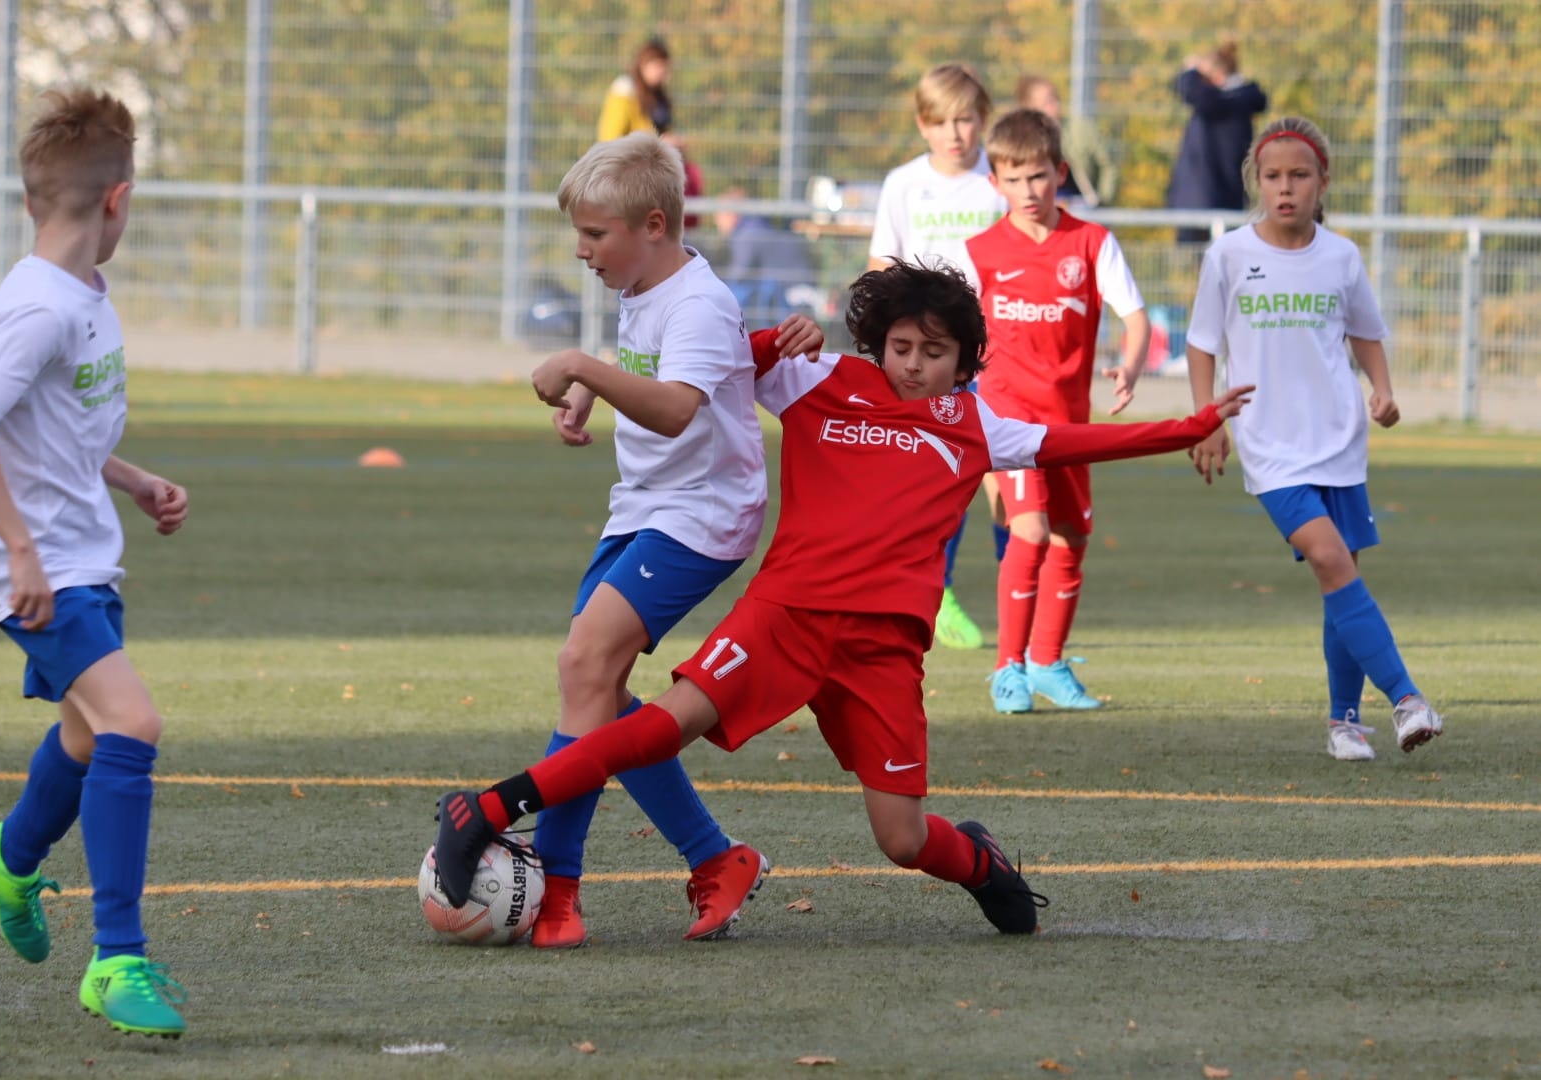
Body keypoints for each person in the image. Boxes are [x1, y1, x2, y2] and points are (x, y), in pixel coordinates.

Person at [433, 258, 1254, 939]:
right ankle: (490, 807)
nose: (913, 363)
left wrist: (1189, 428)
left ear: (964, 361)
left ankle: (982, 864)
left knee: (902, 838)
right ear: (877, 342)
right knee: (663, 724)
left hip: (882, 649)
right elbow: (712, 369)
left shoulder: (976, 425)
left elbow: (1078, 441)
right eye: (900, 346)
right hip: (785, 614)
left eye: (934, 352)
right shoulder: (820, 379)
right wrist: (771, 339)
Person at [512, 132, 820, 949]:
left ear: (654, 225)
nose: (581, 250)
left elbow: (680, 407)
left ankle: (556, 889)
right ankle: (718, 858)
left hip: (702, 516)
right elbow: (659, 377)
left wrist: (582, 367)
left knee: (583, 666)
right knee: (599, 690)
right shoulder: (645, 282)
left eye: (595, 234)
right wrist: (594, 389)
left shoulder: (698, 301)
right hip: (646, 506)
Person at [0, 87, 190, 1037]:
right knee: (134, 722)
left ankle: (9, 855)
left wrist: (130, 478)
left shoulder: (84, 292)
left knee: (87, 737)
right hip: (33, 561)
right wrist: (19, 550)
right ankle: (116, 959)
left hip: (79, 546)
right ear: (119, 200)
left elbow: (54, 431)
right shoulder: (37, 307)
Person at [1185, 116, 1444, 762]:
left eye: (1299, 175)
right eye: (1272, 176)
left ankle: (1344, 723)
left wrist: (1382, 389)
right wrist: (1207, 418)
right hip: (1270, 446)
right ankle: (1407, 699)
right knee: (1330, 558)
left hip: (1338, 441)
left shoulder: (1341, 256)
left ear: (1322, 182)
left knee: (1341, 573)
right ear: (1256, 181)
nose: (1285, 187)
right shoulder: (1228, 256)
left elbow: (1364, 332)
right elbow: (1201, 343)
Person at [967, 108, 1151, 714]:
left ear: (1060, 172)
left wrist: (1130, 366)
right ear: (995, 182)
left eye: (1038, 176)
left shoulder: (1092, 243)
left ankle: (1047, 662)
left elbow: (1135, 317)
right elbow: (953, 331)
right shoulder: (979, 253)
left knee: (1072, 539)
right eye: (1014, 179)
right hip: (1009, 418)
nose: (1028, 190)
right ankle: (1008, 669)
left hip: (1069, 421)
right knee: (1030, 531)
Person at [868, 61, 1009, 653]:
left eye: (967, 119)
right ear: (923, 124)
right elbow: (882, 266)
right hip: (932, 361)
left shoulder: (1000, 180)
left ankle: (1019, 609)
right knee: (937, 482)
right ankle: (936, 591)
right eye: (943, 121)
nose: (956, 132)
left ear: (983, 120)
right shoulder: (904, 184)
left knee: (1008, 485)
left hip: (998, 356)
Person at [1164, 38, 1268, 246]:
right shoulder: (1237, 100)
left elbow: (1191, 91)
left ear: (1218, 77)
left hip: (1208, 201)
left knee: (1209, 259)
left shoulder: (1225, 102)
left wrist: (1191, 70)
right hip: (1215, 198)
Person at [598, 36, 704, 230]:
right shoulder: (624, 92)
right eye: (660, 67)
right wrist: (659, 143)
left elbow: (659, 129)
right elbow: (610, 138)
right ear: (645, 64)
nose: (664, 74)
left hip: (652, 177)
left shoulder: (657, 96)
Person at [712, 186, 818, 326]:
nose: (717, 222)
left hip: (792, 296)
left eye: (719, 216)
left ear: (732, 215)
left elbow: (738, 276)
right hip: (796, 291)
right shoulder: (756, 228)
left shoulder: (747, 236)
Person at [1015, 74, 1119, 210]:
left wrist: (1102, 201)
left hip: (1080, 208)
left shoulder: (1080, 129)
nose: (1055, 105)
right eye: (1047, 101)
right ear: (1030, 108)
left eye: (1055, 98)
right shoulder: (1019, 140)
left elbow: (1108, 164)